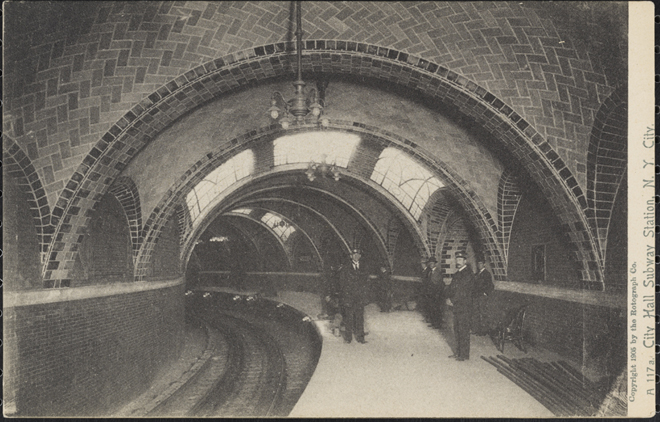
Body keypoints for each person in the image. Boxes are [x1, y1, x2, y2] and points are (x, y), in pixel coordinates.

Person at [446, 251, 475, 361]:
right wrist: (448, 297)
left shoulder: (468, 274)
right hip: (457, 306)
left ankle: (464, 355)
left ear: (465, 261)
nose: (457, 262)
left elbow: (462, 291)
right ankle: (458, 352)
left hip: (464, 306)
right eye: (457, 260)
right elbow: (452, 288)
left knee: (463, 330)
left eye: (460, 260)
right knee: (457, 329)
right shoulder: (458, 273)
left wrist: (452, 300)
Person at [339, 248, 369, 344]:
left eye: (358, 255)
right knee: (349, 318)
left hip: (360, 297)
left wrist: (364, 295)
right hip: (349, 297)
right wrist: (345, 297)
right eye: (354, 254)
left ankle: (361, 338)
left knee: (360, 317)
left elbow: (366, 282)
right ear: (351, 256)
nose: (356, 256)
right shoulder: (345, 267)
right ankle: (348, 338)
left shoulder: (364, 267)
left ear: (360, 256)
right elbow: (342, 283)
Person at [472, 259, 494, 335]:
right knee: (476, 312)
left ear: (484, 264)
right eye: (478, 264)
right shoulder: (477, 274)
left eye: (481, 263)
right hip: (476, 296)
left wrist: (485, 293)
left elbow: (491, 285)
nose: (479, 265)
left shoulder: (487, 274)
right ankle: (476, 329)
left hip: (482, 296)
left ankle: (483, 331)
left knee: (483, 313)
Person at [424, 257, 445, 328]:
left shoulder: (438, 272)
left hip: (436, 294)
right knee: (432, 308)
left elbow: (438, 283)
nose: (431, 264)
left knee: (436, 309)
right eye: (430, 263)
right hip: (431, 294)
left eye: (432, 263)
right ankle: (433, 323)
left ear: (435, 264)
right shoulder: (430, 272)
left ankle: (438, 324)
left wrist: (437, 293)